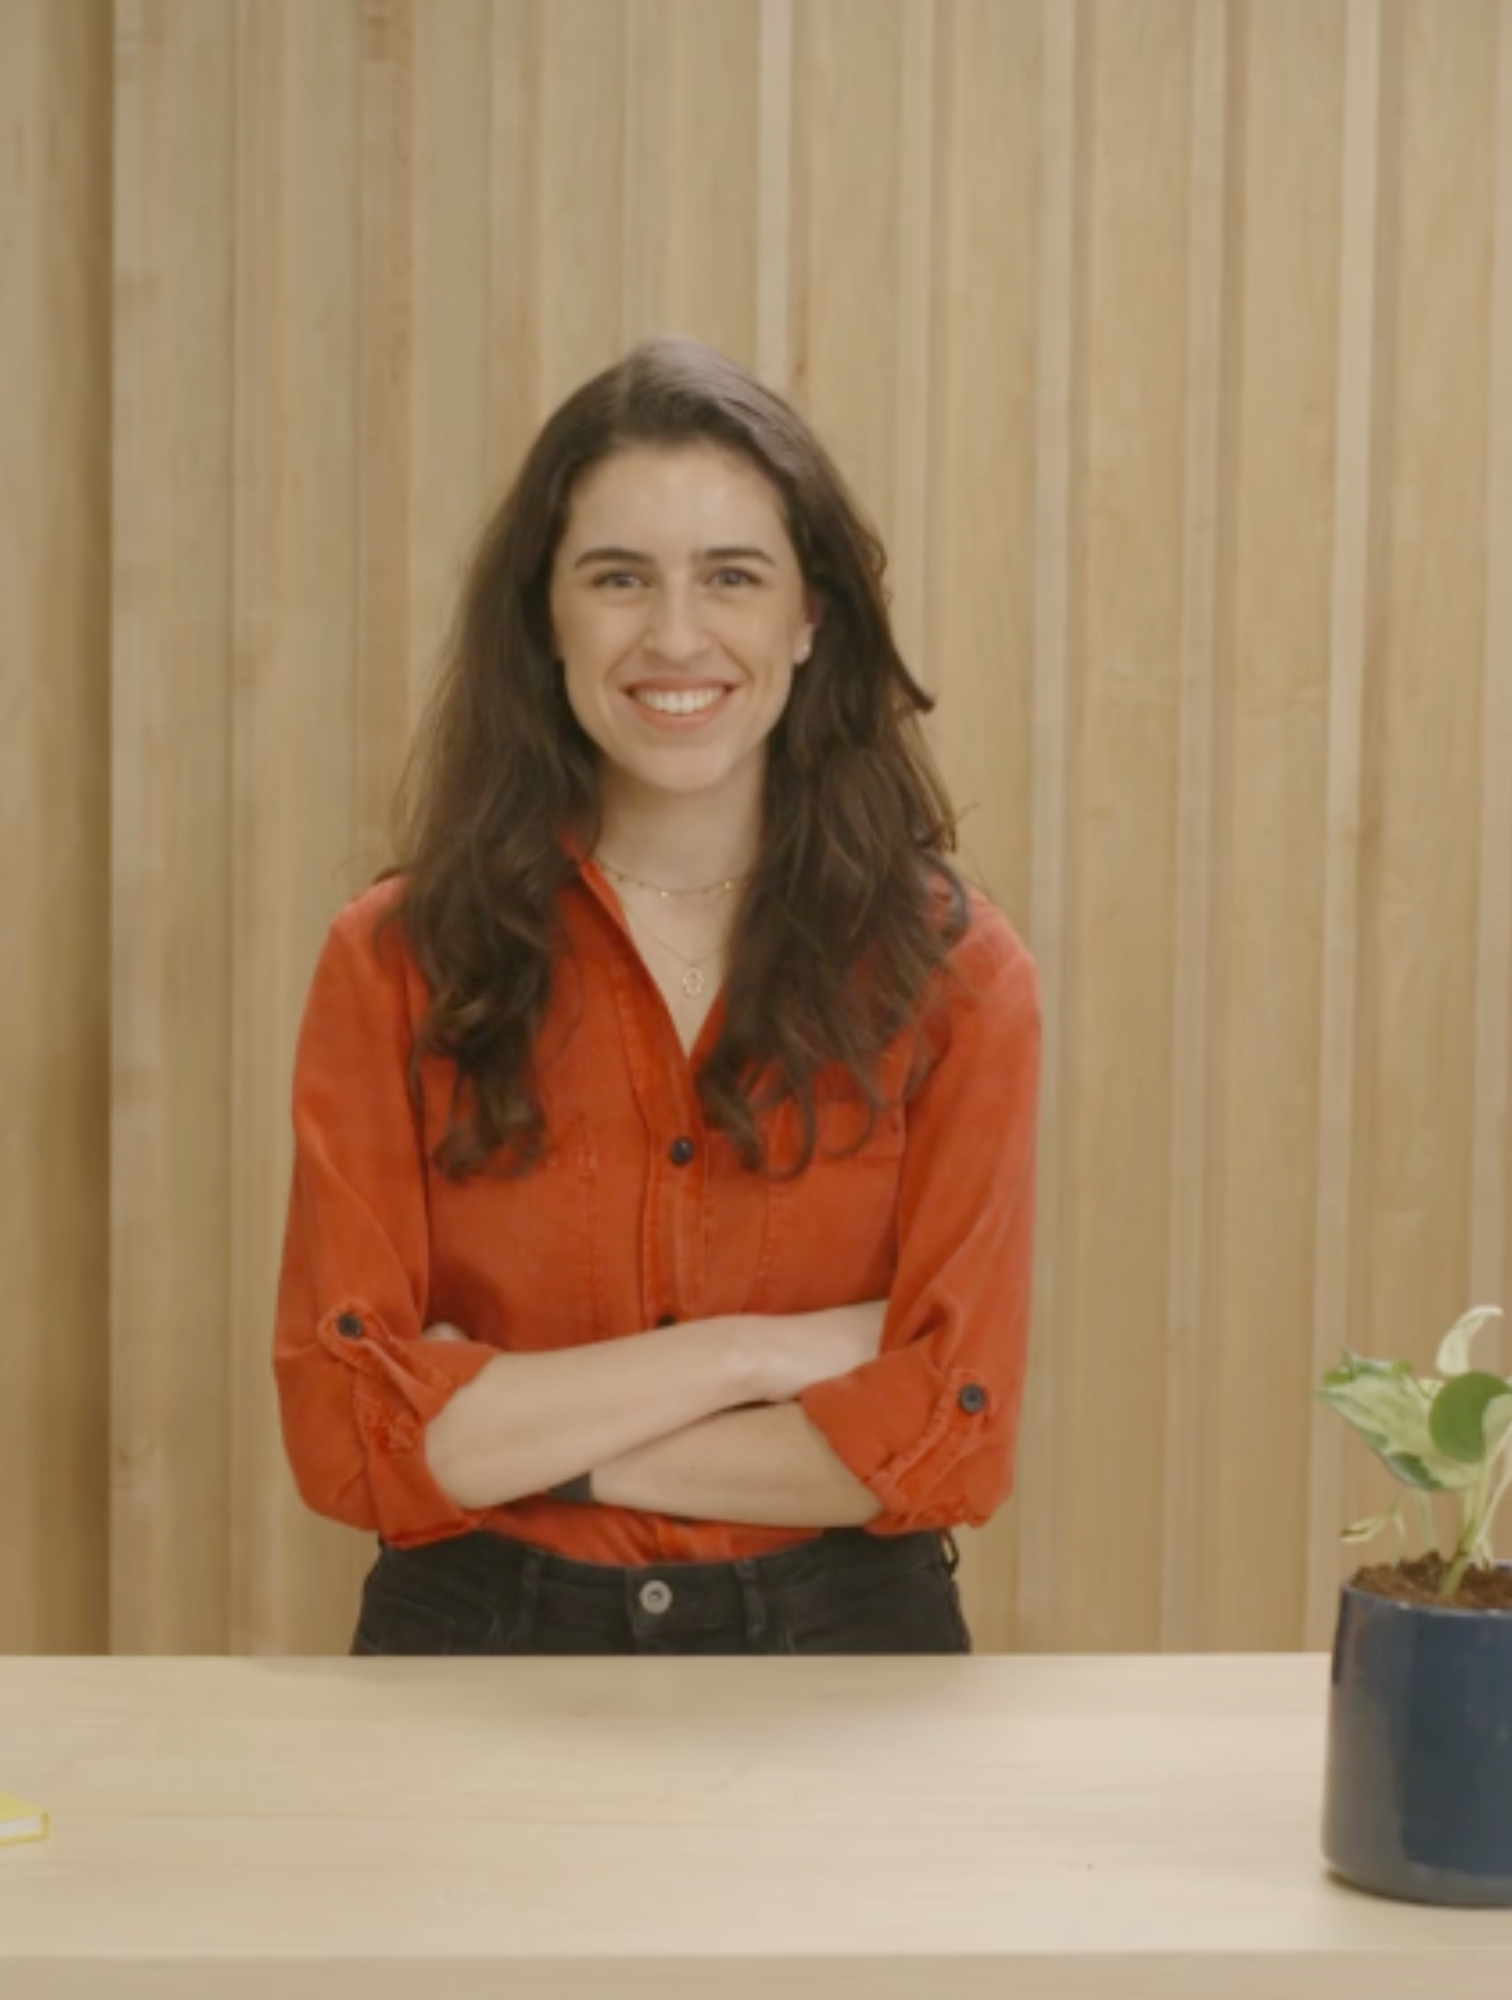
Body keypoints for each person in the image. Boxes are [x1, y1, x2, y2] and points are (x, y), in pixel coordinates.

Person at [271, 336, 1039, 1656]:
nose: (675, 635)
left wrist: (511, 1429)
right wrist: (755, 1358)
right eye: (618, 578)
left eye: (731, 577)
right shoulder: (395, 962)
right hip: (475, 1652)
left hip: (845, 1666)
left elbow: (944, 1441)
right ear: (545, 616)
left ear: (809, 620)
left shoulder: (956, 977)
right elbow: (348, 1437)